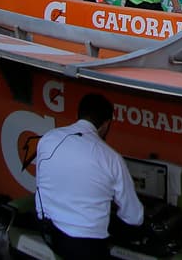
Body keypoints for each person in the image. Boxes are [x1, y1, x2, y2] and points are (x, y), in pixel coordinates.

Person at [34, 93, 143, 260]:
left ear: (78, 115)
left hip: (47, 232)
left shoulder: (47, 138)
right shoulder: (111, 158)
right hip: (86, 247)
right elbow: (134, 217)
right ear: (106, 124)